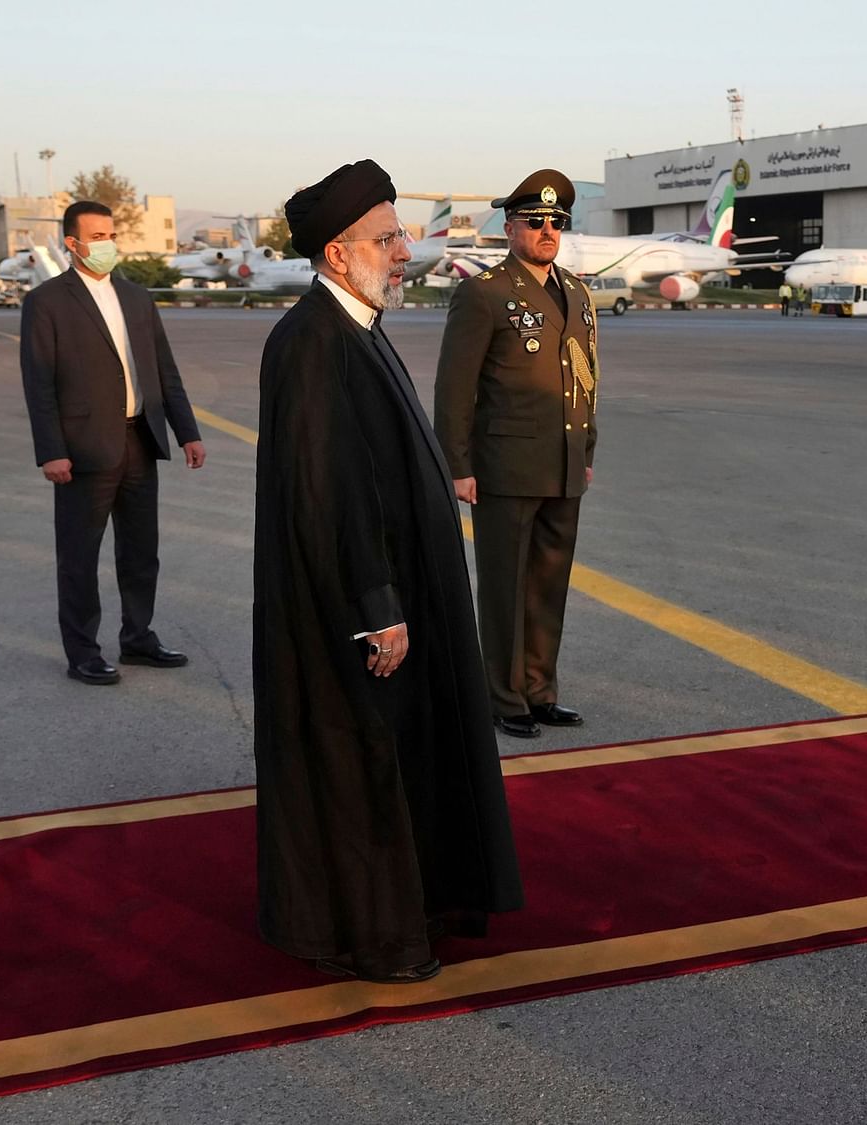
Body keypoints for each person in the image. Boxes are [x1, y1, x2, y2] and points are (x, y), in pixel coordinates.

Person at [252, 159, 523, 984]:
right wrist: (377, 606)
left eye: (399, 233)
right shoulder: (311, 343)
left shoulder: (357, 328)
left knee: (402, 763)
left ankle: (418, 911)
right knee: (363, 767)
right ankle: (376, 938)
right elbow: (329, 491)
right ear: (338, 253)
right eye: (388, 236)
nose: (404, 248)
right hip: (359, 611)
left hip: (396, 597)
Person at [434, 169, 598, 740]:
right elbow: (455, 388)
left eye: (557, 222)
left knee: (548, 587)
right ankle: (504, 699)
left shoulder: (576, 292)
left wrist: (586, 448)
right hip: (504, 469)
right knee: (505, 588)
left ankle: (539, 691)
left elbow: (585, 377)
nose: (548, 230)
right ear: (510, 229)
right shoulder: (484, 293)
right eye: (536, 221)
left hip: (563, 464)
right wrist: (458, 464)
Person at [19, 199, 206, 685]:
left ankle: (138, 638)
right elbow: (38, 383)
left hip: (139, 440)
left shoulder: (137, 298)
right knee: (80, 556)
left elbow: (165, 372)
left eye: (111, 234)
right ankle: (82, 651)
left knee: (141, 550)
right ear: (73, 244)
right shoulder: (47, 303)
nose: (107, 244)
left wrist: (187, 431)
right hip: (82, 450)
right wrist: (51, 450)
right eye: (97, 237)